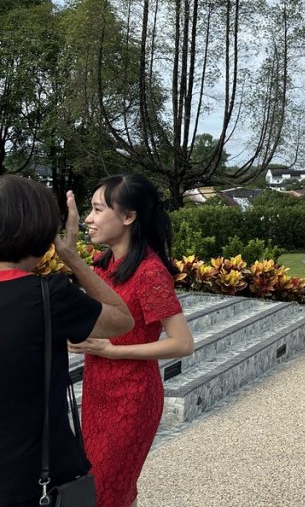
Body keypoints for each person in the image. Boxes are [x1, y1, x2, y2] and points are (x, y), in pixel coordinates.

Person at [1, 175, 134, 507]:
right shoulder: (48, 295)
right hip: (32, 480)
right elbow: (122, 319)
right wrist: (71, 258)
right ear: (43, 230)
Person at [73, 173, 195, 507]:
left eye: (98, 210)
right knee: (104, 488)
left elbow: (182, 343)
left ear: (128, 217)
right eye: (90, 209)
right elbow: (101, 323)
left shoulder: (148, 272)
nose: (89, 218)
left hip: (132, 397)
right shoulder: (104, 265)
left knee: (106, 491)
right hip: (98, 391)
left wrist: (114, 351)